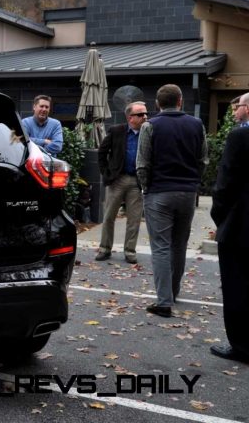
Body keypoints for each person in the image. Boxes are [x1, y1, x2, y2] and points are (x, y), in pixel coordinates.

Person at [136, 84, 207, 318]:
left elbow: (142, 163)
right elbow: (203, 159)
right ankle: (173, 292)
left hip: (159, 192)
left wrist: (147, 188)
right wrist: (194, 183)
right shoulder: (196, 124)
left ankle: (164, 300)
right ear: (180, 101)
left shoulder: (150, 126)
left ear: (157, 104)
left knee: (161, 247)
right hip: (187, 192)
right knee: (179, 245)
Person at [209, 124, 249, 363]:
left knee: (238, 288)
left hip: (241, 226)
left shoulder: (240, 136)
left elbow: (225, 185)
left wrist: (221, 219)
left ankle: (242, 346)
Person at [94, 101, 148, 264]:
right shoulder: (117, 131)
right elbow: (102, 152)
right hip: (117, 179)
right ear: (130, 117)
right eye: (140, 114)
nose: (145, 117)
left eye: (146, 114)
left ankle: (130, 251)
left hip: (137, 181)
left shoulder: (148, 133)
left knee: (134, 219)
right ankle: (105, 248)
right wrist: (106, 174)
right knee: (109, 216)